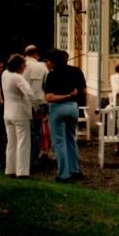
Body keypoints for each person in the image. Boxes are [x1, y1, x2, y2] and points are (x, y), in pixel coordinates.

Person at [45, 48, 87, 182]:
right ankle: (75, 170)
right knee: (71, 139)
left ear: (53, 61)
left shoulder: (51, 75)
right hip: (73, 108)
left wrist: (65, 96)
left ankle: (63, 174)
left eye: (49, 60)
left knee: (59, 142)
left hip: (57, 109)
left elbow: (49, 97)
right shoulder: (76, 71)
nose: (48, 63)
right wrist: (73, 95)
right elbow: (84, 91)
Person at [2, 54, 37, 179]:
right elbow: (30, 94)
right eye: (23, 64)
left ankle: (10, 169)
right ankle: (22, 172)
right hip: (20, 113)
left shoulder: (5, 74)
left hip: (7, 113)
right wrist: (38, 107)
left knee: (11, 143)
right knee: (23, 143)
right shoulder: (18, 78)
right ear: (18, 66)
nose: (25, 66)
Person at [23, 45, 49, 166]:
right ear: (36, 54)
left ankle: (23, 159)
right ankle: (33, 160)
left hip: (22, 102)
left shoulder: (20, 66)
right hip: (39, 102)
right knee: (36, 132)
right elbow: (47, 84)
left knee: (23, 131)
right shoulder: (41, 67)